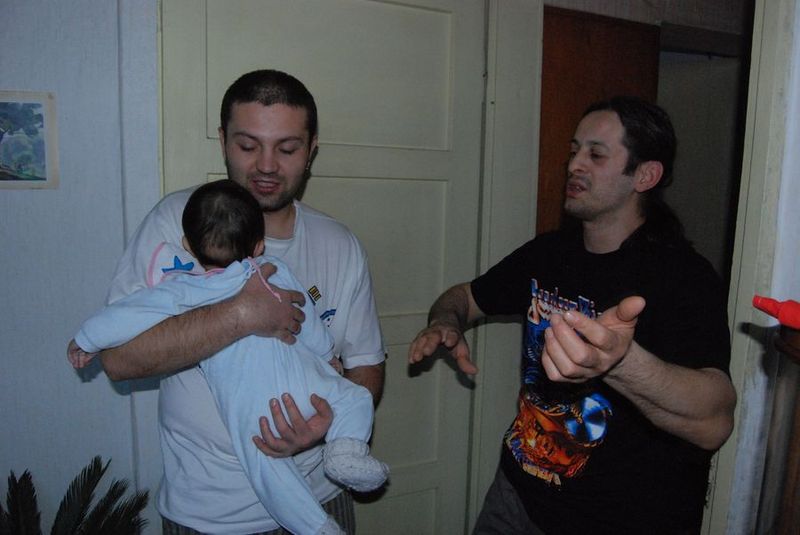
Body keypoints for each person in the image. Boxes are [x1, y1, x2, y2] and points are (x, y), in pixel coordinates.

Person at [408, 96, 737, 534]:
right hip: (517, 494)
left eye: (596, 155)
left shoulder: (682, 276)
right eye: (574, 150)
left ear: (645, 175)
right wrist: (446, 321)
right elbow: (463, 297)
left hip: (618, 519)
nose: (574, 165)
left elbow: (714, 421)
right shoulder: (548, 253)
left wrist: (620, 361)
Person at [80, 69, 386, 534]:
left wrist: (326, 428)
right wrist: (242, 314)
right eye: (248, 146)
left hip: (322, 496)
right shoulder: (177, 223)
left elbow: (365, 366)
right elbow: (119, 360)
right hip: (208, 516)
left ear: (311, 150)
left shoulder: (339, 244)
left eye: (287, 149)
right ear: (223, 141)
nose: (267, 166)